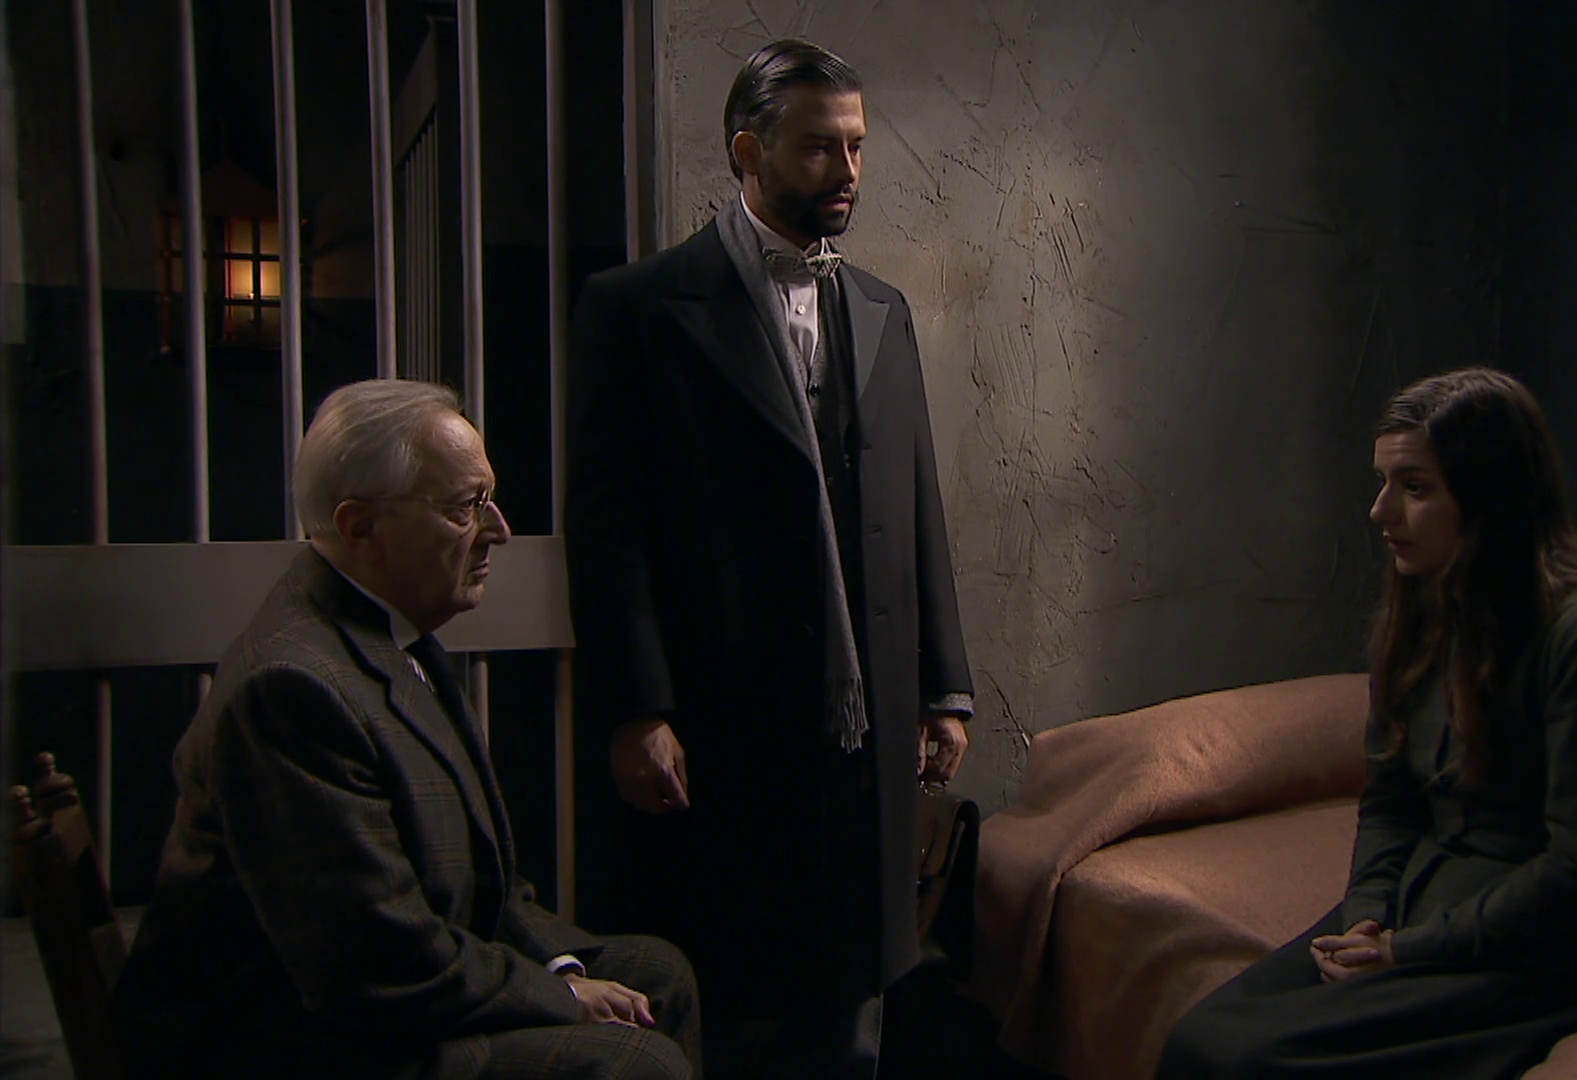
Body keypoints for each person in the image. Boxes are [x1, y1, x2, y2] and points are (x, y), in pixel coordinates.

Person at [563, 36, 975, 1080]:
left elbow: (915, 502)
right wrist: (636, 708)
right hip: (723, 703)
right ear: (747, 151)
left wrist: (944, 687)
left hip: (867, 707)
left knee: (859, 986)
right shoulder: (638, 307)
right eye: (819, 148)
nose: (847, 171)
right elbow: (609, 532)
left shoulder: (881, 309)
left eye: (857, 146)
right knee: (734, 981)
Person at [112, 379, 702, 1080]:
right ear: (361, 528)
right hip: (292, 1043)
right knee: (634, 1062)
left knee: (656, 974)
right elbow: (375, 963)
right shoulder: (292, 689)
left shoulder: (386, 630)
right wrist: (564, 998)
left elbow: (483, 889)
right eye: (465, 508)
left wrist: (562, 969)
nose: (499, 530)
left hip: (377, 995)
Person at [1155, 368, 1577, 1080]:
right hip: (1426, 909)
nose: (1381, 512)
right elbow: (1391, 803)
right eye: (1383, 483)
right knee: (1200, 1038)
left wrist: (1409, 951)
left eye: (1414, 488)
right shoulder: (1421, 619)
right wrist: (1369, 911)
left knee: (1260, 1062)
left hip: (1568, 950)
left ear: (1491, 497)